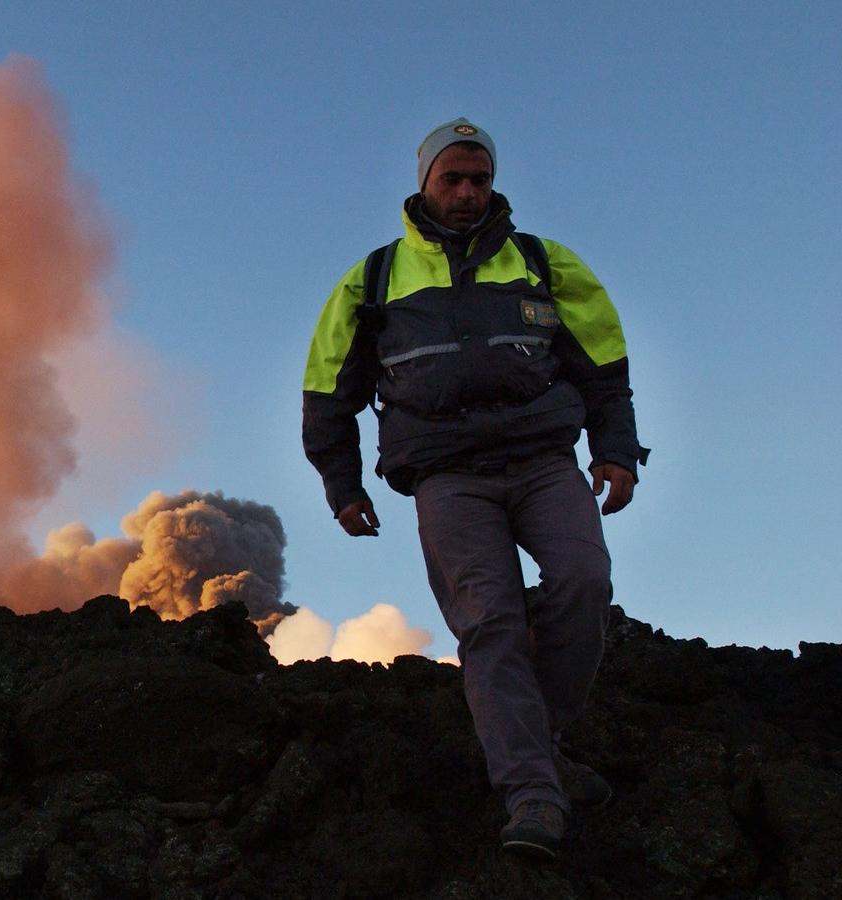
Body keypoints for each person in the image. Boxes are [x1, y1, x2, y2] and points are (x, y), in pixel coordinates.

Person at [300, 118, 648, 857]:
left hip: (545, 462)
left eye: (479, 179)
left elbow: (604, 366)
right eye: (451, 178)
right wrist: (343, 484)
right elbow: (328, 391)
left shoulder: (543, 263)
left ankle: (538, 746)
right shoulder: (374, 278)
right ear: (423, 182)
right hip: (446, 477)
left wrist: (616, 450)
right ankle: (533, 796)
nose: (466, 192)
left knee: (584, 581)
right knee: (488, 622)